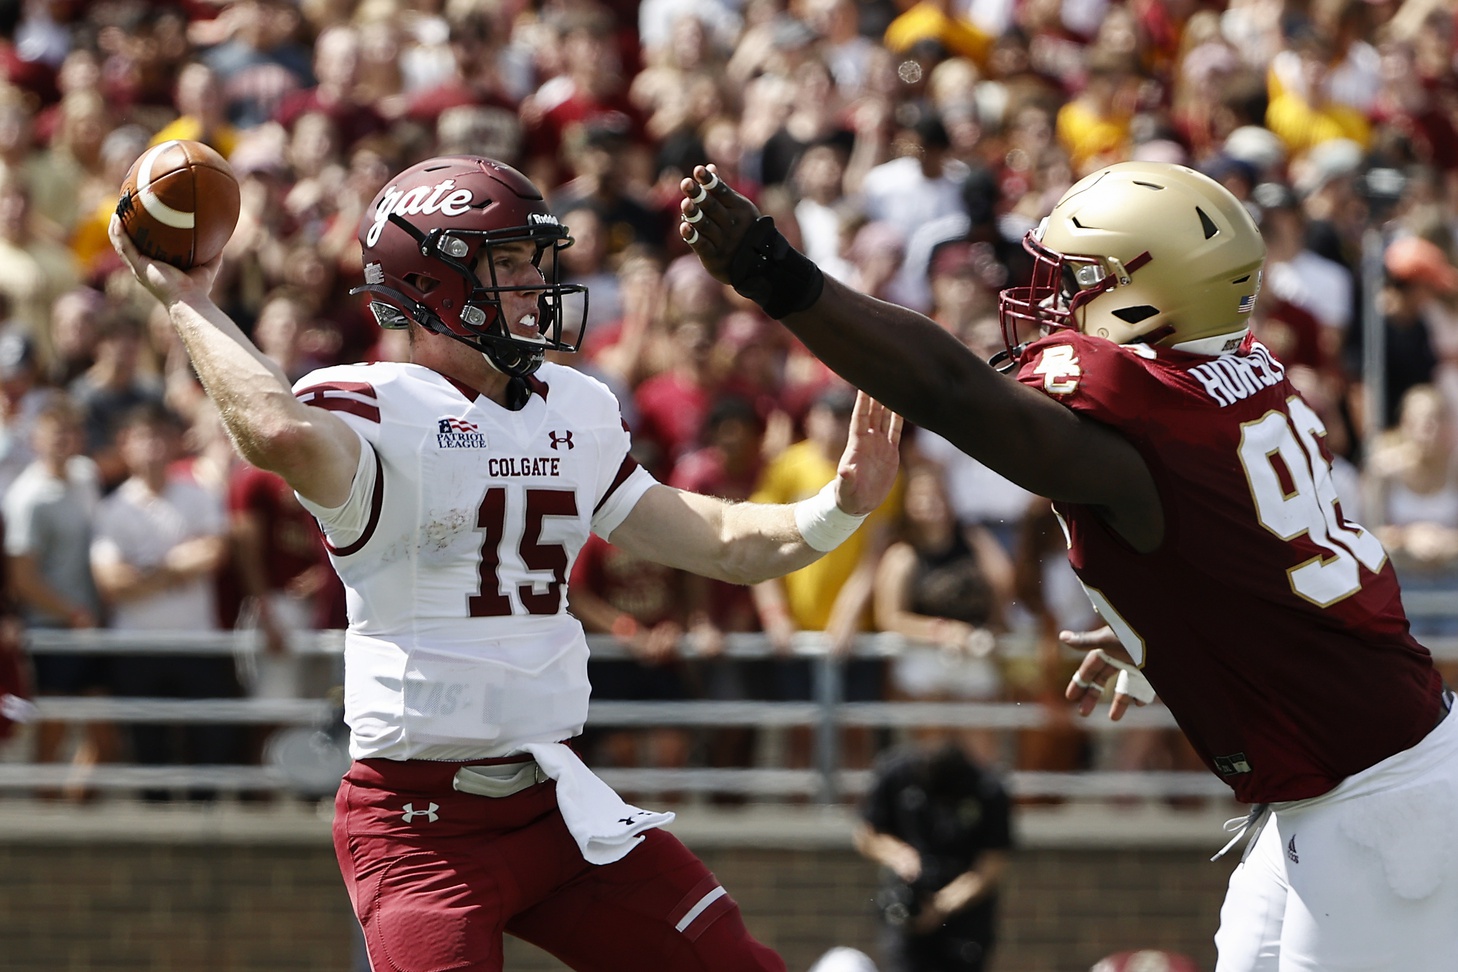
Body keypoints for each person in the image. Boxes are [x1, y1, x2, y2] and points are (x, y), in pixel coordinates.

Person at [110, 154, 901, 972]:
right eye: (511, 262)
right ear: (431, 283)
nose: (537, 283)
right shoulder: (375, 409)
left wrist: (840, 503)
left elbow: (728, 547)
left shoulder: (575, 408)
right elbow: (274, 432)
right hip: (421, 825)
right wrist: (186, 296)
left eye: (535, 260)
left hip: (554, 801)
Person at [679, 159, 1458, 970]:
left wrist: (772, 271)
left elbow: (952, 390)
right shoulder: (1243, 376)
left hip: (1375, 806)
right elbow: (1244, 551)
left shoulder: (1151, 425)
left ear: (1157, 292)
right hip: (1358, 774)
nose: (1059, 300)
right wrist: (1166, 631)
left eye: (1082, 278)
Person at [854, 738, 1013, 972]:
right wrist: (899, 855)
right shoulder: (898, 774)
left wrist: (943, 905)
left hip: (965, 923)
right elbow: (866, 835)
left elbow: (992, 866)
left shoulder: (986, 788)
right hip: (908, 915)